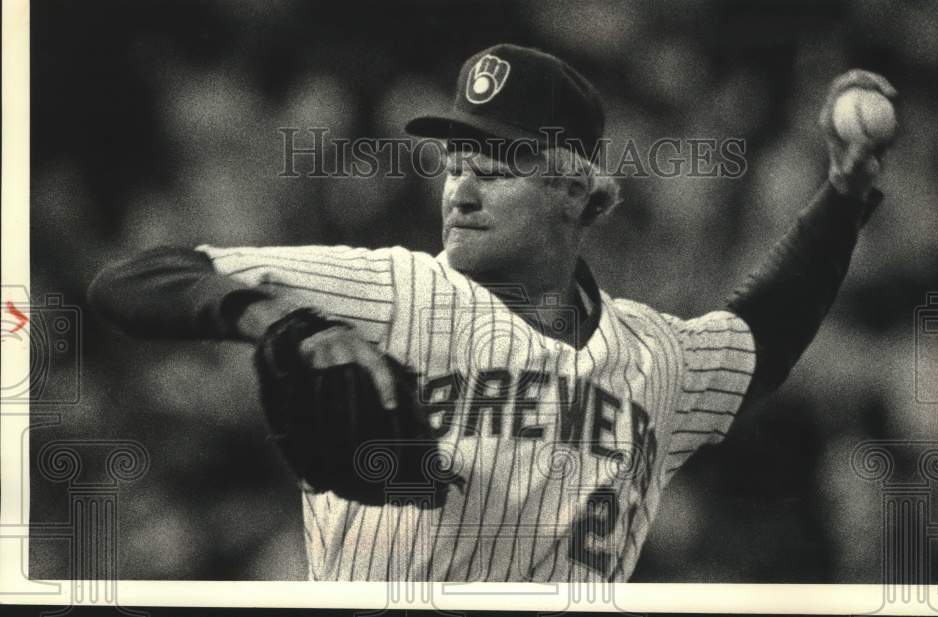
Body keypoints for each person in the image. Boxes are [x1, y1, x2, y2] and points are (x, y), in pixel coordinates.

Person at [88, 44, 894, 582]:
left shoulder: (656, 355)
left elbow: (764, 333)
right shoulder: (395, 291)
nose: (460, 189)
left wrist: (847, 192)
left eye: (494, 168)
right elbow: (135, 279)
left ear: (575, 190)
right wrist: (274, 322)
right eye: (453, 164)